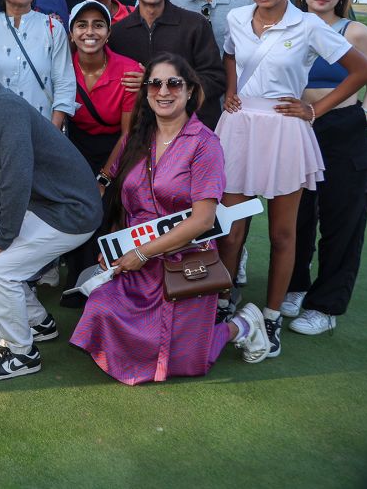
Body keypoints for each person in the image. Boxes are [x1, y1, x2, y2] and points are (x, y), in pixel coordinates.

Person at [70, 54, 270, 383]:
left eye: (174, 83)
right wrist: (113, 248)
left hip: (184, 264)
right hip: (136, 261)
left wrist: (142, 252)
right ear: (146, 93)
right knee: (101, 308)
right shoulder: (135, 139)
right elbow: (113, 189)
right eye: (155, 84)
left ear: (190, 90)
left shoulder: (205, 145)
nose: (164, 91)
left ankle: (242, 325)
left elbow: (204, 220)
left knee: (189, 361)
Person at [215, 0, 367, 358]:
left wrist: (315, 109)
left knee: (285, 234)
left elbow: (362, 69)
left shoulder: (307, 25)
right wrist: (232, 90)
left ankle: (269, 317)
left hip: (286, 129)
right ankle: (221, 305)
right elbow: (231, 53)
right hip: (240, 125)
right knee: (230, 231)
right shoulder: (236, 17)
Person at [0, 34, 101, 381]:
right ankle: (38, 322)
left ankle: (21, 354)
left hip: (73, 211)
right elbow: (0, 174)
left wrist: (5, 235)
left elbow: (16, 177)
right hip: (49, 204)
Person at [289, 0, 367, 334]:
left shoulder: (355, 31)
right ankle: (295, 285)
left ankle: (325, 306)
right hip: (297, 129)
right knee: (296, 213)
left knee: (342, 217)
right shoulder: (289, 26)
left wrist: (364, 115)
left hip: (343, 129)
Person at [60, 0, 142, 299]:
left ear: (108, 32)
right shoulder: (62, 66)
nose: (89, 32)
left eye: (98, 25)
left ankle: (104, 281)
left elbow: (128, 134)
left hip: (118, 148)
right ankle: (75, 279)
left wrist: (105, 179)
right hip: (76, 146)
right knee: (76, 204)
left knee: (104, 206)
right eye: (81, 25)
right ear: (71, 33)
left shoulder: (128, 70)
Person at [106, 0, 226, 129]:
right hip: (141, 133)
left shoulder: (195, 25)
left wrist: (156, 83)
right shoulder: (117, 34)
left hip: (192, 130)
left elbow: (215, 79)